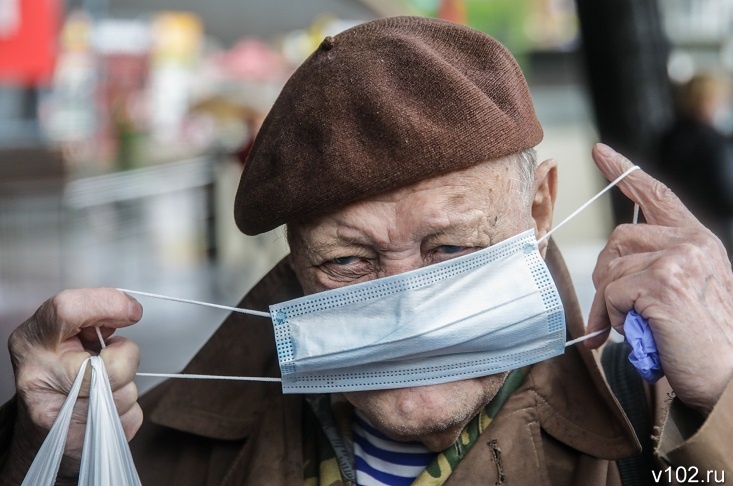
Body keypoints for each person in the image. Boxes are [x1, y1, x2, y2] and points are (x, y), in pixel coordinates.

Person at [1, 17, 732, 485]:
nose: (408, 303)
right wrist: (41, 455)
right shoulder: (156, 441)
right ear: (291, 254)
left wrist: (720, 401)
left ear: (539, 206)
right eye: (347, 261)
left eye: (449, 246)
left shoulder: (658, 420)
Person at [657, 73, 733, 255]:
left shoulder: (667, 139)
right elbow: (726, 198)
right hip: (715, 236)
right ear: (708, 100)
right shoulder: (713, 142)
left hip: (676, 233)